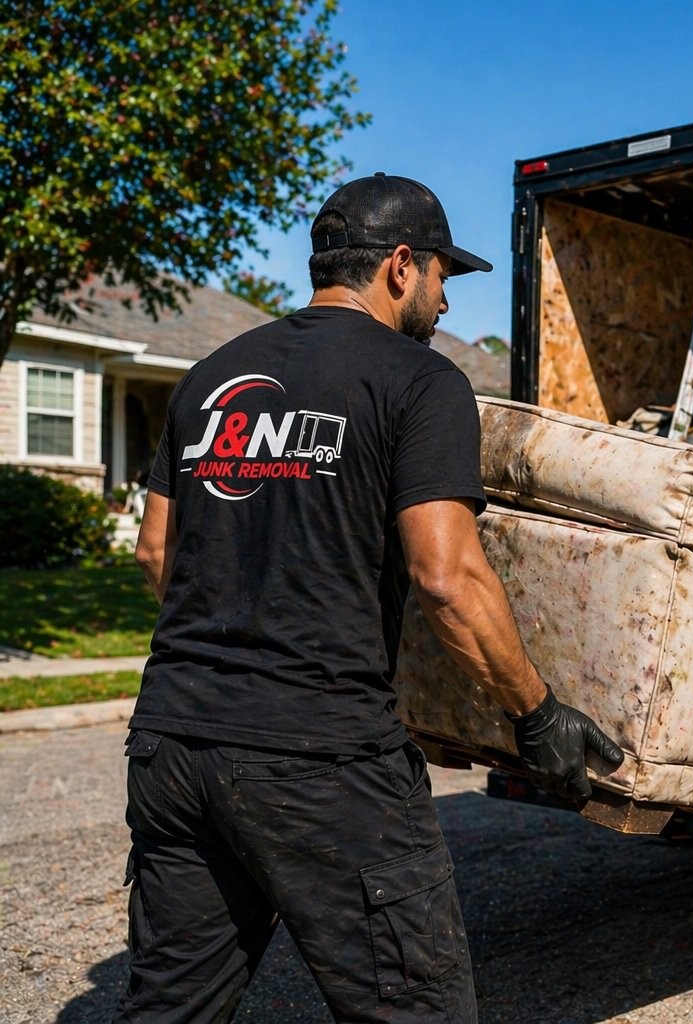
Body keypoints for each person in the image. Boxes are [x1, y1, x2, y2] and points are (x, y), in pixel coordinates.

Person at [116, 172, 623, 1022]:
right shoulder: (418, 381)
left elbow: (155, 550)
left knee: (171, 1009)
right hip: (321, 759)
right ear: (400, 266)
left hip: (173, 745)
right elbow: (447, 579)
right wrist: (536, 716)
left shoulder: (210, 377)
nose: (445, 304)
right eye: (442, 277)